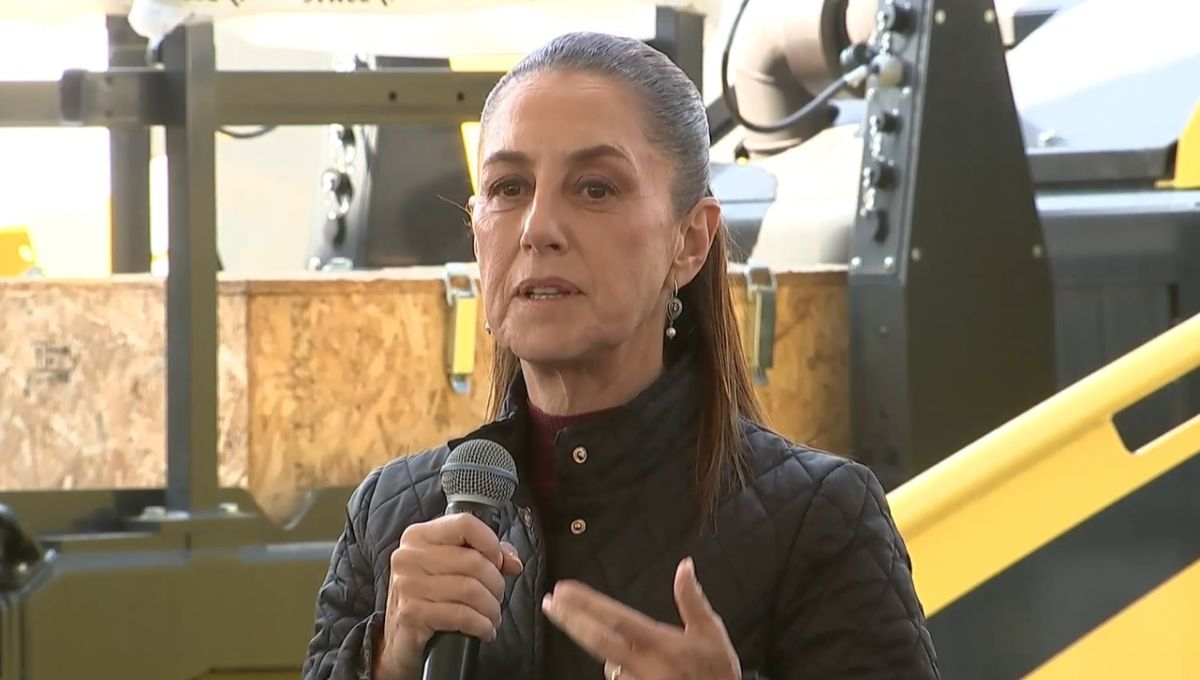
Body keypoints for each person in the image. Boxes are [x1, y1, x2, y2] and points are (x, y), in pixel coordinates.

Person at [301, 31, 939, 680]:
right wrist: (387, 660)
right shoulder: (390, 514)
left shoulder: (818, 518)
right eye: (508, 187)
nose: (538, 228)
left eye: (595, 189)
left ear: (690, 241)